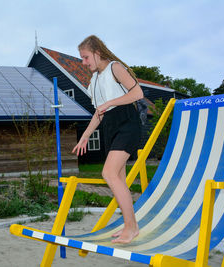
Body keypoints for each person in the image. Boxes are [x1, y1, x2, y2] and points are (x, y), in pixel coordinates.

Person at [72, 35, 143, 244]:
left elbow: (138, 93)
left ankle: (132, 227)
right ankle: (129, 224)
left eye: (85, 58)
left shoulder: (115, 67)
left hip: (128, 124)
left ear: (97, 52)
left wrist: (110, 102)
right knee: (118, 179)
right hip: (110, 128)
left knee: (108, 173)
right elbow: (99, 113)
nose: (83, 63)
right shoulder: (94, 80)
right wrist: (85, 137)